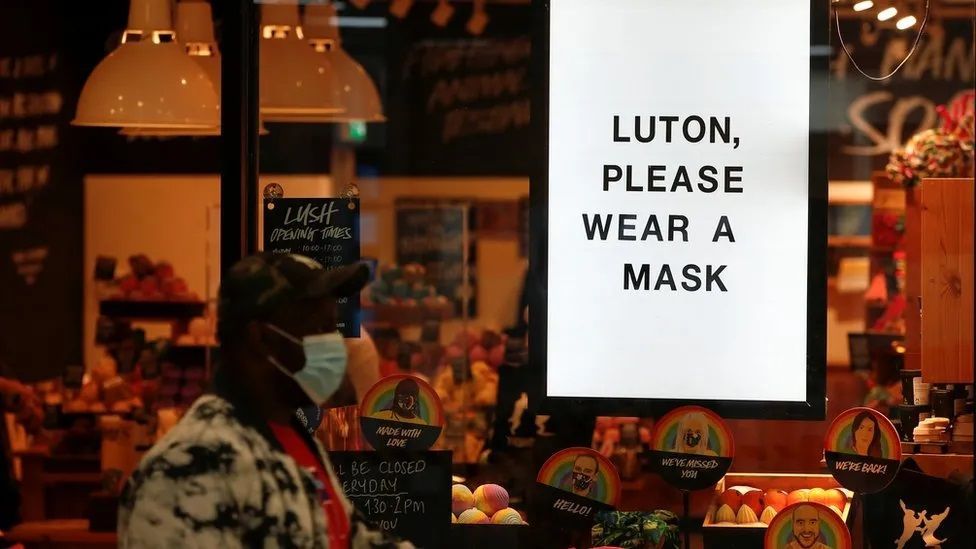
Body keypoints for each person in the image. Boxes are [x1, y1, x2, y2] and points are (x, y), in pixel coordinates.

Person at [118, 253, 411, 548]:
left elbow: (348, 540)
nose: (335, 345)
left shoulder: (297, 439)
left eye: (333, 329)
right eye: (319, 328)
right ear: (261, 338)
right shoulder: (190, 466)